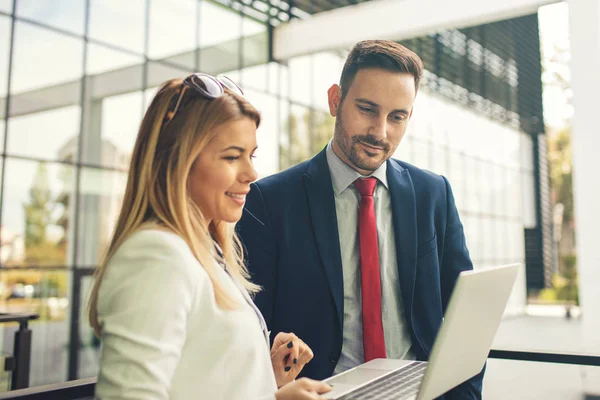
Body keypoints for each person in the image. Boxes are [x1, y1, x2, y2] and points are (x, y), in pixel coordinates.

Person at [237, 40, 484, 399]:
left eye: (397, 116)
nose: (380, 132)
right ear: (335, 100)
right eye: (367, 109)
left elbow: (467, 316)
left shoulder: (434, 194)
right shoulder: (269, 202)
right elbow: (253, 331)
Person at [88, 73, 331, 400]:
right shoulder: (156, 255)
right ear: (178, 162)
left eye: (251, 155)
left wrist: (266, 378)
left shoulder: (204, 253)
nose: (251, 174)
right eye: (232, 156)